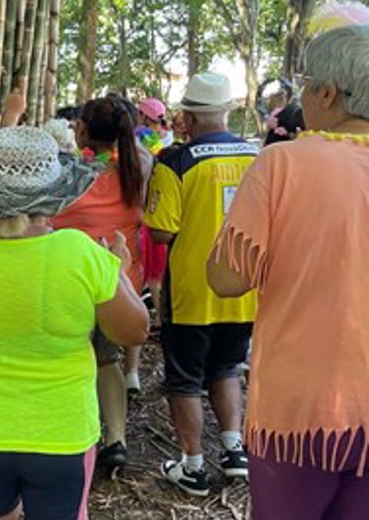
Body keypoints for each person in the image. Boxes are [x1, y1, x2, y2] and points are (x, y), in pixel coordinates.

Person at [0, 126, 149, 520]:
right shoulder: (78, 251)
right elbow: (134, 331)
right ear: (54, 194)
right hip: (60, 432)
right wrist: (117, 270)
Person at [207, 9, 369, 518]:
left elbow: (227, 278)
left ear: (328, 94)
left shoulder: (283, 163)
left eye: (306, 86)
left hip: (298, 411)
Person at [144, 71, 258, 497]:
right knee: (227, 367)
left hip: (192, 293)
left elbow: (161, 231)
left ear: (188, 117)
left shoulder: (175, 161)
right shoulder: (258, 156)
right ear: (226, 112)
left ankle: (192, 466)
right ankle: (233, 450)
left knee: (184, 379)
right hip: (244, 289)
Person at [52, 97, 146, 472]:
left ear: (82, 130)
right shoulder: (137, 169)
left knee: (70, 357)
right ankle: (116, 438)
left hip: (71, 280)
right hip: (117, 280)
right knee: (107, 360)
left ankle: (72, 435)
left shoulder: (69, 175)